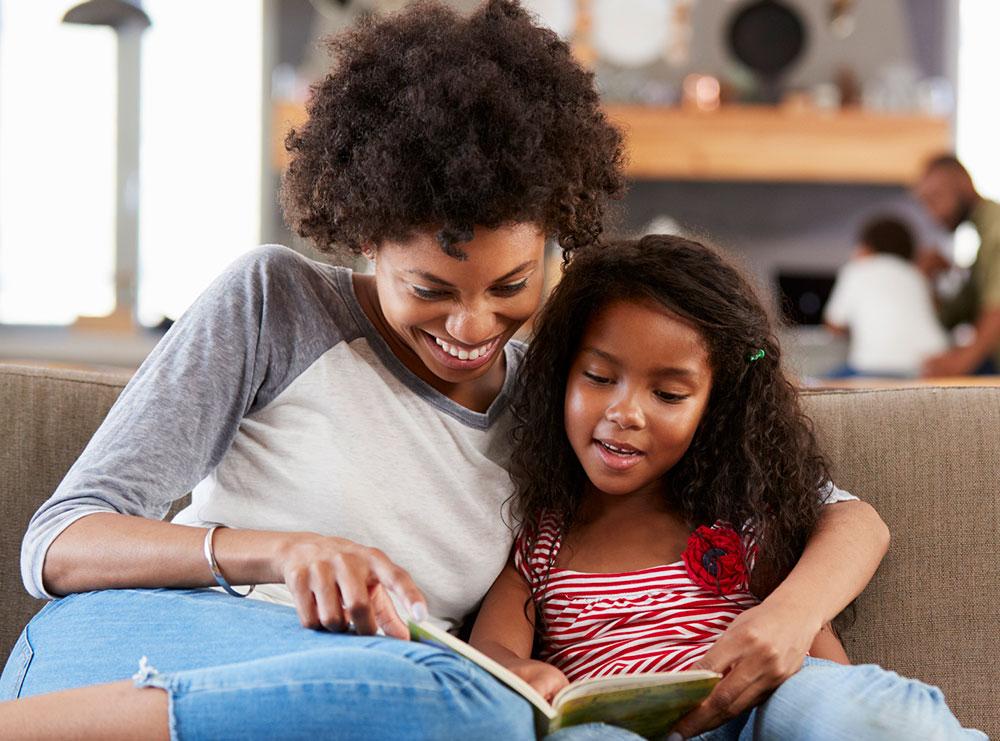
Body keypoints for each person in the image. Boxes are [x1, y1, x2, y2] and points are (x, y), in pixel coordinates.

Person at [0, 2, 889, 739]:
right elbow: (58, 542)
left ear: (556, 242)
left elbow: (838, 515)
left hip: (370, 696)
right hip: (139, 649)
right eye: (428, 287)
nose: (471, 326)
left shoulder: (566, 390)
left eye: (511, 285)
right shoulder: (276, 302)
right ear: (363, 231)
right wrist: (280, 551)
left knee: (484, 708)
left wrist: (779, 622)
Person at [470, 235, 983, 739]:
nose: (624, 413)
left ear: (713, 407)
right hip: (624, 727)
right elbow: (488, 651)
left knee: (860, 709)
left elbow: (831, 682)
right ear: (562, 375)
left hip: (762, 712)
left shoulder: (743, 519)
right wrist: (519, 673)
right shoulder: (541, 546)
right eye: (599, 377)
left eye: (669, 394)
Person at [823, 216, 948, 377]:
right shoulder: (915, 274)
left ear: (866, 248)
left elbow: (834, 326)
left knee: (818, 383)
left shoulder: (856, 269)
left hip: (875, 364)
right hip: (930, 362)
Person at [914, 154, 1000, 376]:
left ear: (963, 181)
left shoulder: (997, 229)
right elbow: (949, 318)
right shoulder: (980, 253)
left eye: (935, 197)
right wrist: (929, 279)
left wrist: (959, 362)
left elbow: (997, 309)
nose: (932, 213)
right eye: (925, 204)